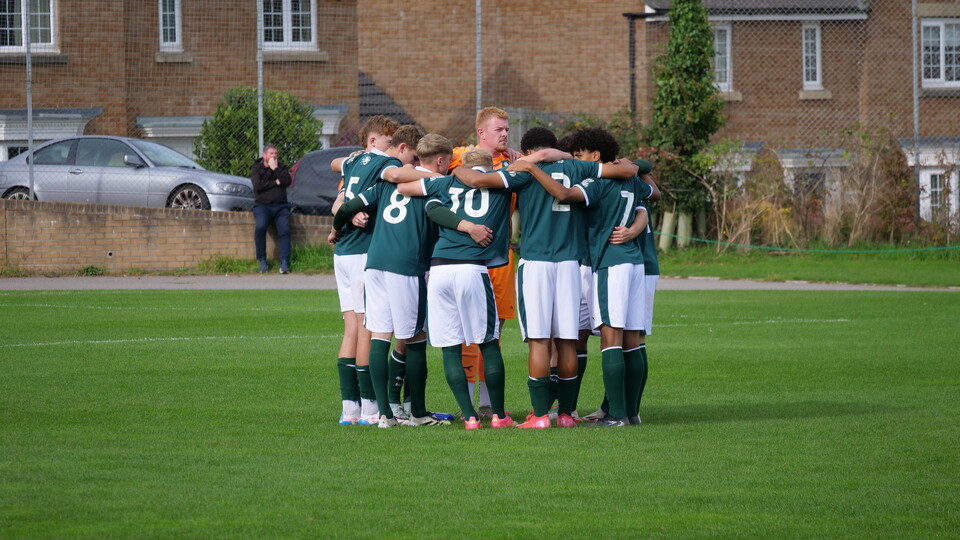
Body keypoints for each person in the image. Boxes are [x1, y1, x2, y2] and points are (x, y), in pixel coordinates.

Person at [455, 126, 638, 428]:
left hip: (536, 262)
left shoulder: (526, 171)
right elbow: (627, 170)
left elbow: (477, 179)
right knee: (567, 341)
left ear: (528, 151)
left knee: (539, 341)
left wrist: (458, 169)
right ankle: (566, 414)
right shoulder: (578, 166)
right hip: (570, 263)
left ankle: (540, 415)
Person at [527, 127, 657, 426]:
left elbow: (563, 193)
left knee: (611, 338)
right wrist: (636, 226)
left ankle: (616, 415)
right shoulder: (630, 178)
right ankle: (631, 412)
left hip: (610, 262)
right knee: (633, 339)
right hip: (635, 263)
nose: (577, 161)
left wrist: (531, 168)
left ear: (595, 156)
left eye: (580, 156)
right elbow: (650, 197)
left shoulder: (598, 181)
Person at [329, 125, 447, 428]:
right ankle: (418, 413)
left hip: (376, 262)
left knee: (380, 334)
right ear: (437, 161)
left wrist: (337, 228)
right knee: (416, 338)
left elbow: (348, 206)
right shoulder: (432, 183)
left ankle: (383, 414)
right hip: (405, 265)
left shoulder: (383, 180)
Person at [396, 143, 517, 429]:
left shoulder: (446, 181)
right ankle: (499, 416)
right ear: (489, 167)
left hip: (439, 270)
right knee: (488, 344)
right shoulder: (501, 183)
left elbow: (405, 190)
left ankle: (470, 416)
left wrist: (439, 180)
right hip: (472, 269)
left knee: (450, 347)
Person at [448, 107, 521, 418]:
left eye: (506, 129)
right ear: (481, 133)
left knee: (494, 331)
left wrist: (521, 160)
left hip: (501, 255)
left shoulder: (515, 162)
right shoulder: (460, 156)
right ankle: (468, 407)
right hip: (466, 254)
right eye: (498, 130)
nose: (505, 134)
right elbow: (428, 157)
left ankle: (488, 403)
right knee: (465, 330)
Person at [327, 115, 399, 425]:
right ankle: (369, 409)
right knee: (366, 329)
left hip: (343, 252)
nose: (392, 147)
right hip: (361, 253)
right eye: (388, 140)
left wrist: (348, 212)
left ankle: (349, 409)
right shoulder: (382, 163)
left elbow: (337, 172)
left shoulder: (353, 163)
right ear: (374, 141)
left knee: (351, 329)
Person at [251, 144, 292, 274]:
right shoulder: (256, 168)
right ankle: (262, 260)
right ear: (264, 155)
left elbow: (287, 181)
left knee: (284, 230)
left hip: (281, 206)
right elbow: (258, 186)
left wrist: (275, 169)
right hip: (262, 206)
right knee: (261, 227)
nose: (274, 156)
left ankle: (284, 262)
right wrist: (275, 183)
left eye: (275, 153)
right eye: (271, 153)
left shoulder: (281, 167)